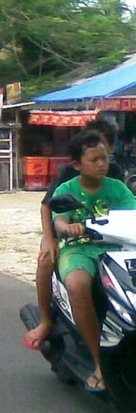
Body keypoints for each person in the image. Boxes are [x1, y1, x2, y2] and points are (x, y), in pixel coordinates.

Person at [23, 118, 124, 352]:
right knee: (46, 260)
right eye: (93, 147)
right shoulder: (68, 174)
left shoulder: (115, 173)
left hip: (106, 236)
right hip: (67, 233)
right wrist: (50, 240)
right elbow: (48, 206)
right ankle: (46, 320)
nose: (100, 158)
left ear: (110, 147)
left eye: (103, 146)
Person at [50, 130, 136, 391]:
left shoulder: (118, 188)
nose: (102, 164)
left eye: (105, 158)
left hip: (117, 248)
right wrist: (67, 228)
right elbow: (59, 218)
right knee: (77, 284)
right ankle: (98, 362)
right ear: (77, 164)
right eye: (94, 159)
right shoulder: (67, 189)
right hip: (79, 249)